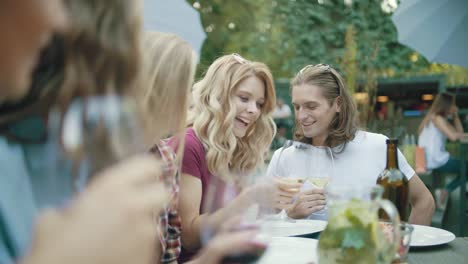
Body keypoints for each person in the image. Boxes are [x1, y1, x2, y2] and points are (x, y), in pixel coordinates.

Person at [267, 64, 435, 225]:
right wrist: (289, 215)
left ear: (338, 104)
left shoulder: (379, 146)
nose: (301, 116)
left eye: (311, 106)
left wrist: (405, 249)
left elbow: (424, 202)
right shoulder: (284, 157)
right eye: (297, 107)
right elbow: (263, 222)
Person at [172, 54, 300, 262]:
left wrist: (269, 207)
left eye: (259, 104)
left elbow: (230, 220)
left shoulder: (235, 147)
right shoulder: (189, 145)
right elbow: (189, 237)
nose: (253, 110)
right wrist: (248, 199)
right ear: (218, 96)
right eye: (243, 98)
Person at [418, 92, 468, 210]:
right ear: (446, 105)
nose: (454, 107)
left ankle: (445, 191)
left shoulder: (436, 118)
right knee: (466, 168)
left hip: (426, 159)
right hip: (434, 160)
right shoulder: (437, 118)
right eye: (453, 105)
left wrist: (455, 116)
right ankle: (445, 191)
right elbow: (454, 137)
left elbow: (458, 134)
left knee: (465, 167)